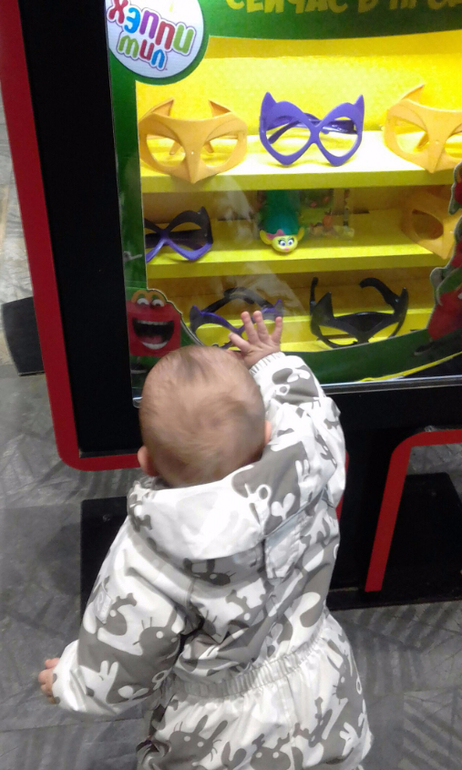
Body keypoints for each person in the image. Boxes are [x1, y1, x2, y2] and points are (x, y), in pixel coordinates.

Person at [39, 311, 371, 770]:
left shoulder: (150, 553)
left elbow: (123, 659)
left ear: (145, 462)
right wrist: (272, 362)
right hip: (320, 682)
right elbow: (307, 407)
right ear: (269, 433)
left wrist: (70, 681)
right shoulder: (310, 460)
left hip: (221, 728)